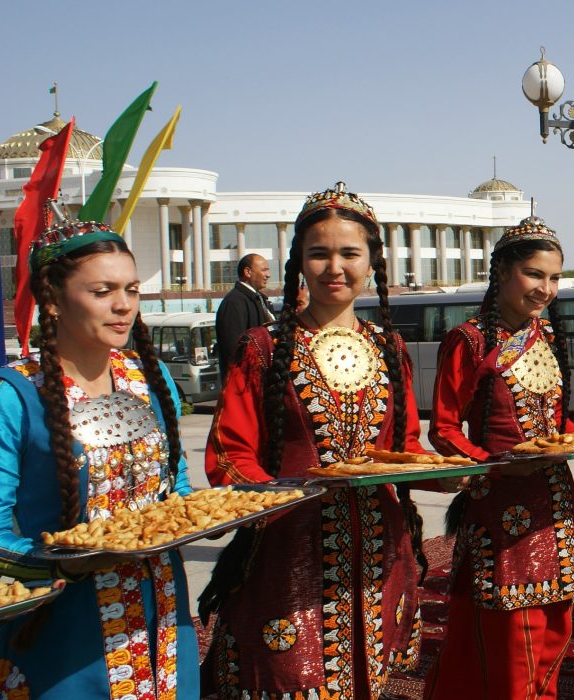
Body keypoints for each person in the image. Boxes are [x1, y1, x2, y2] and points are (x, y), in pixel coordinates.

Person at [200, 182, 427, 699]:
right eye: (319, 254)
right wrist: (275, 501)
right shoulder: (262, 348)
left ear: (372, 262)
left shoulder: (388, 346)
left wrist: (455, 475)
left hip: (378, 550)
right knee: (291, 683)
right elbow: (230, 455)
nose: (335, 268)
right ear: (299, 263)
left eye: (350, 253)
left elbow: (406, 445)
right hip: (286, 551)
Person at [0, 209, 199, 697]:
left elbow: (179, 486)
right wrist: (62, 562)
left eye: (131, 289)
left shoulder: (149, 379)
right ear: (55, 301)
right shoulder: (14, 396)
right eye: (102, 292)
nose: (123, 306)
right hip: (64, 630)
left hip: (164, 619)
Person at [424, 215, 574, 700]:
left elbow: (556, 424)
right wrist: (492, 467)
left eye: (554, 278)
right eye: (535, 275)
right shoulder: (468, 341)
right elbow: (444, 428)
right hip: (499, 507)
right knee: (509, 633)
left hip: (554, 499)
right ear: (503, 272)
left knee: (555, 621)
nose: (546, 289)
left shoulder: (546, 337)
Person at [215, 252, 274, 381]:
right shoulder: (234, 302)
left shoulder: (259, 299)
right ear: (247, 272)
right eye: (264, 270)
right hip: (245, 384)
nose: (268, 275)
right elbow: (234, 350)